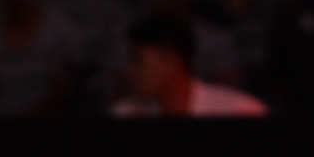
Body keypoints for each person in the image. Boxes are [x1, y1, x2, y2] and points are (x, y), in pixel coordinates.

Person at [113, 13, 267, 118]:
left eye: (137, 60)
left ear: (170, 61)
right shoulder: (125, 113)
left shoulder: (241, 110)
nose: (130, 71)